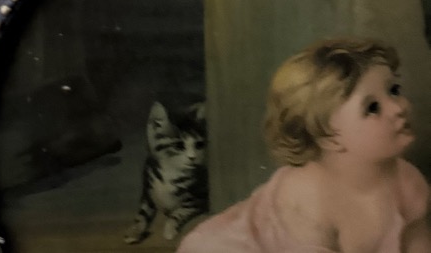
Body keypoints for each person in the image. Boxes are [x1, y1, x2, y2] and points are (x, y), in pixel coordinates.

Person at [177, 38, 431, 252]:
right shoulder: (307, 202)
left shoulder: (407, 181)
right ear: (328, 137)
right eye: (372, 108)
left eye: (394, 90)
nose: (398, 108)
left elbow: (418, 245)